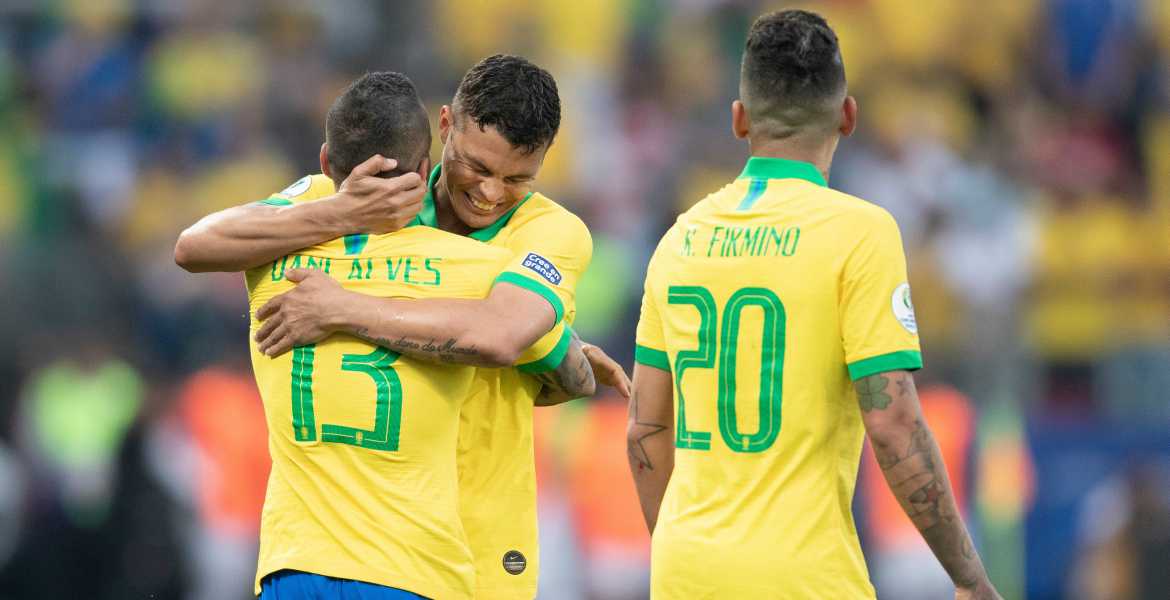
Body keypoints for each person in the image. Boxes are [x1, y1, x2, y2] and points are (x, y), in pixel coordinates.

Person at [176, 55, 629, 599]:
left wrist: (343, 307)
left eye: (517, 179)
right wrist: (344, 213)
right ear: (445, 127)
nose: (490, 193)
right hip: (366, 542)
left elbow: (503, 334)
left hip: (479, 539)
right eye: (477, 167)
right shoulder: (363, 194)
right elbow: (195, 245)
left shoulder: (550, 232)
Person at [626, 10, 1002, 600]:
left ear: (739, 119)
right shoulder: (860, 234)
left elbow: (646, 429)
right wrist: (968, 577)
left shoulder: (680, 239)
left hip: (685, 573)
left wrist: (683, 556)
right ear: (848, 116)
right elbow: (893, 424)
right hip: (805, 577)